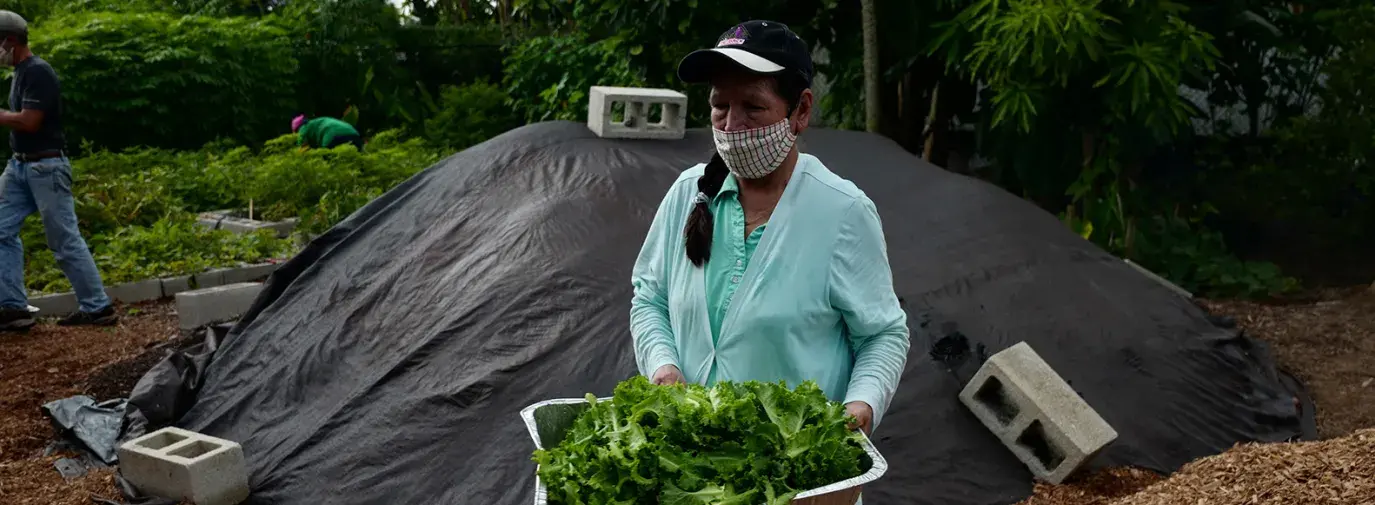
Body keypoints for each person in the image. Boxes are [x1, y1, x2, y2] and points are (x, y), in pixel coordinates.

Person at [629, 20, 910, 438]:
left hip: (794, 470)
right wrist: (663, 367)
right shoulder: (689, 193)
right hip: (692, 465)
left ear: (801, 111)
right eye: (719, 106)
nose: (730, 126)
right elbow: (649, 299)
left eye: (753, 108)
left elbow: (883, 335)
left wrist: (861, 406)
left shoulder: (842, 212)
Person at [0, 10, 117, 330]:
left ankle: (97, 307)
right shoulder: (20, 72)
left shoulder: (39, 72)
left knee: (63, 239)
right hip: (20, 165)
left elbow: (29, 120)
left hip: (46, 167)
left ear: (9, 40)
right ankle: (12, 308)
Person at [292, 114, 364, 151]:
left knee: (328, 160)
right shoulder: (317, 123)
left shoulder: (304, 127)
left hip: (333, 136)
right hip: (353, 134)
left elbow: (302, 147)